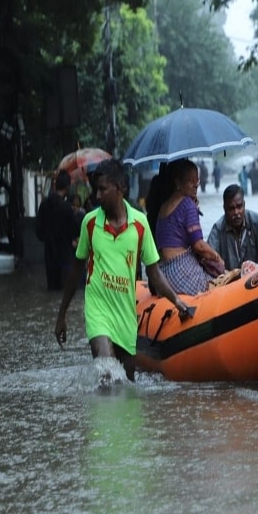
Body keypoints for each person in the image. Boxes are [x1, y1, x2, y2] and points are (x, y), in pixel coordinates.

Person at [54, 158, 190, 382]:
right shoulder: (89, 223)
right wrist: (62, 316)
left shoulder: (140, 224)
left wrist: (176, 301)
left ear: (119, 189)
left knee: (127, 385)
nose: (97, 196)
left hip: (126, 317)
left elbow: (153, 272)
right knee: (108, 376)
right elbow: (76, 271)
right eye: (96, 189)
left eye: (102, 189)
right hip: (99, 313)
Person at [155, 158, 225, 294]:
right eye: (190, 180)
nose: (196, 185)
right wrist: (218, 258)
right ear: (178, 183)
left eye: (197, 180)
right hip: (180, 269)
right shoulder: (187, 204)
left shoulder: (164, 205)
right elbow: (198, 245)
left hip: (163, 272)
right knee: (219, 284)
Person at [207, 184, 258, 270]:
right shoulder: (218, 229)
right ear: (224, 209)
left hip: (256, 277)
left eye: (239, 206)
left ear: (244, 205)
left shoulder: (256, 221)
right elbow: (209, 260)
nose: (236, 212)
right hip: (230, 279)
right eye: (231, 208)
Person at [35, 170, 79, 291]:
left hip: (49, 257)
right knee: (63, 294)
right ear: (68, 187)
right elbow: (75, 234)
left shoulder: (44, 205)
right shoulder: (67, 209)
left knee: (52, 290)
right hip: (65, 258)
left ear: (55, 185)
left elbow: (38, 232)